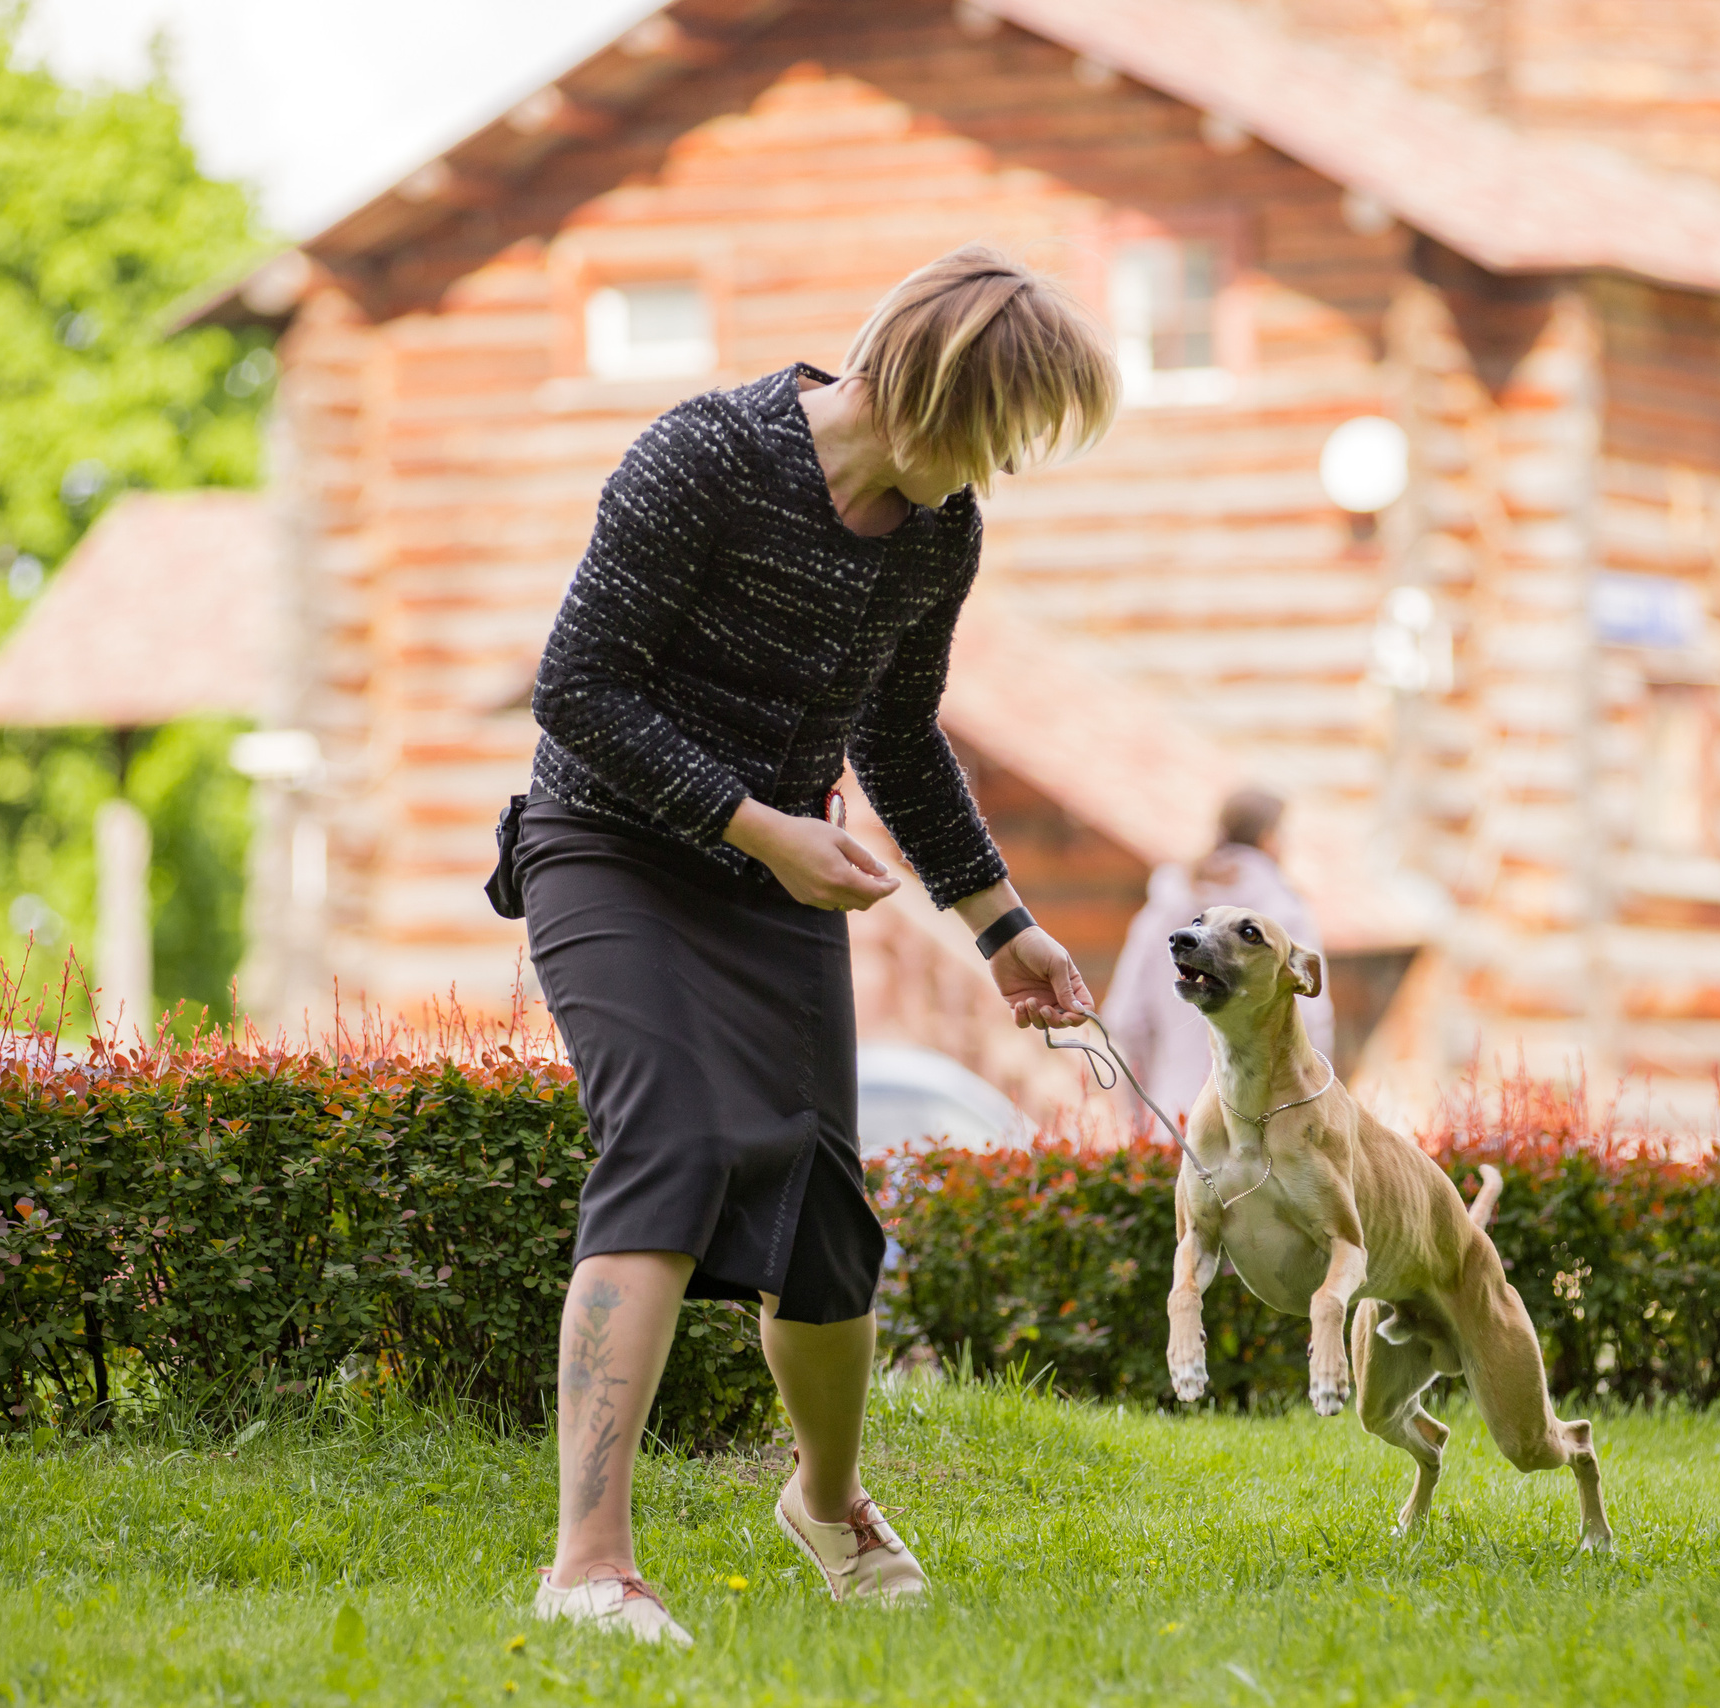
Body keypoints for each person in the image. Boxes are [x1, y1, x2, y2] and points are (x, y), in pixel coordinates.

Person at [514, 245, 1118, 1645]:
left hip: (772, 877)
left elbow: (895, 736)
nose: (991, 472)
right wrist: (760, 826)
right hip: (609, 847)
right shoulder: (706, 460)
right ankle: (587, 1567)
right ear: (922, 384)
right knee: (668, 1141)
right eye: (989, 434)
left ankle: (827, 1501)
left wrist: (1002, 927)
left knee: (825, 1217)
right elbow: (577, 689)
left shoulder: (939, 527)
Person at [1102, 788, 1336, 1139]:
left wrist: (1144, 1116)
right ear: (1268, 839)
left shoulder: (1163, 909)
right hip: (1268, 1129)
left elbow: (1126, 1020)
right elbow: (1313, 1023)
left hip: (1175, 1119)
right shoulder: (1285, 917)